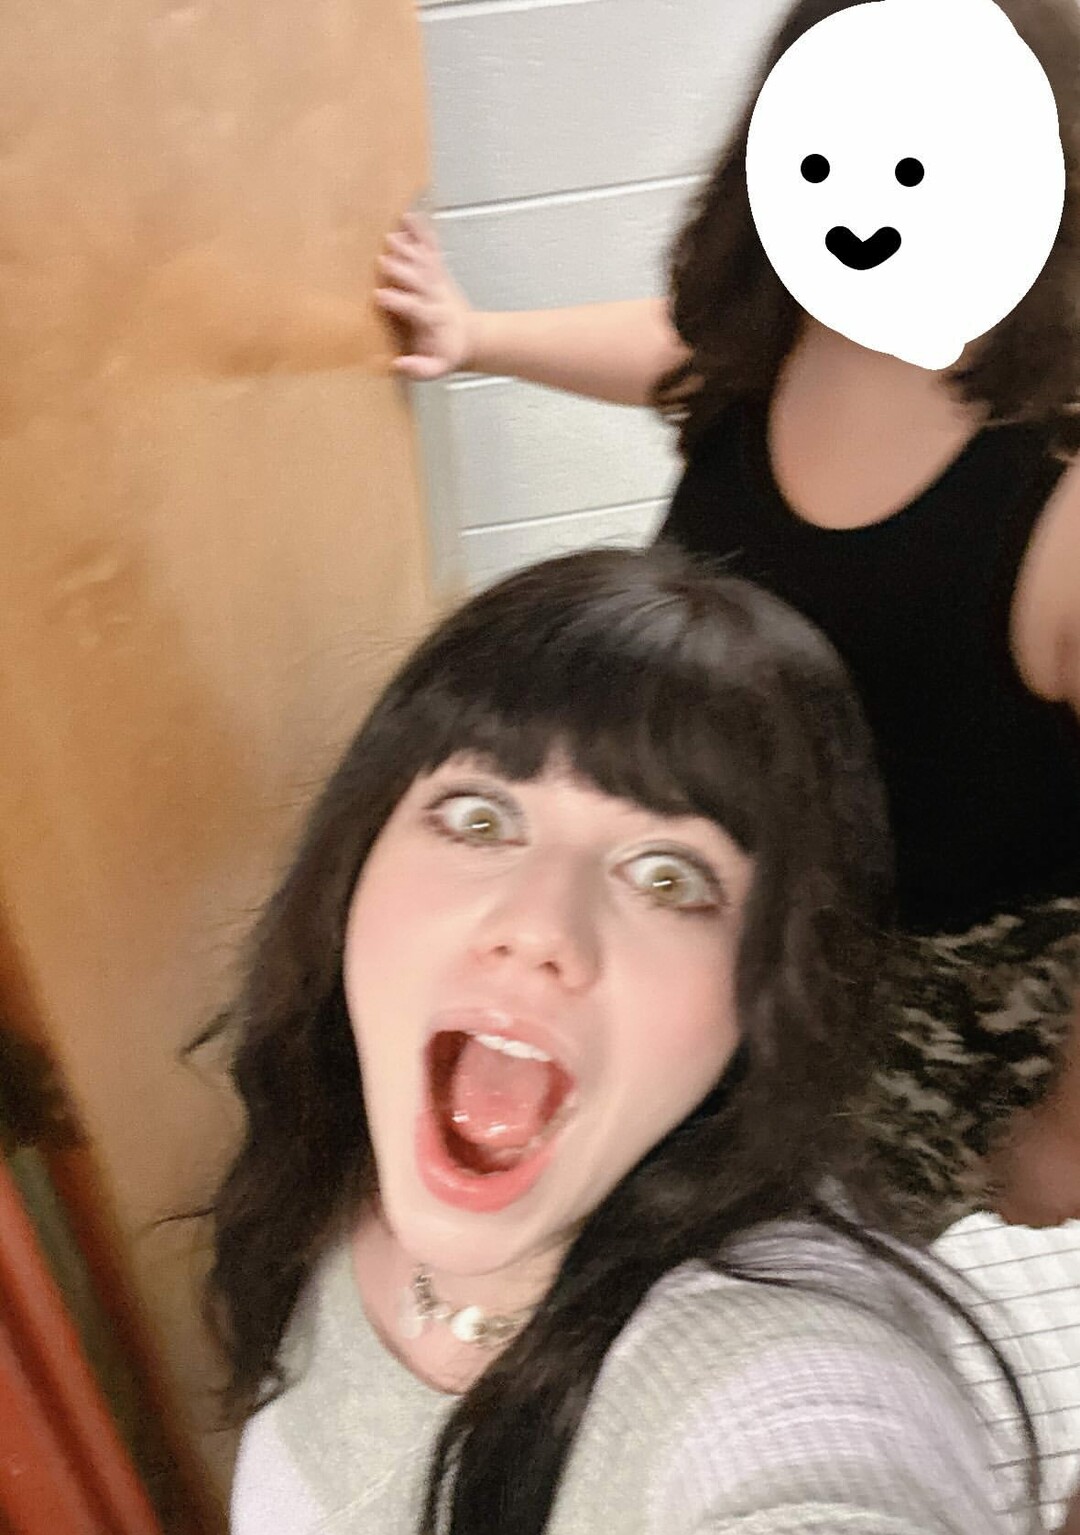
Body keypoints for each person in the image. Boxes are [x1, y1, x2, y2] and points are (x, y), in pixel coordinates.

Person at [209, 549, 1080, 1535]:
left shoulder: (768, 1354)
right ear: (356, 864)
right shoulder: (330, 1161)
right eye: (480, 815)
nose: (536, 929)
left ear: (764, 989)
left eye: (671, 875)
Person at [374, 0, 1080, 1240]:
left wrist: (1069, 1133)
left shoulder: (1060, 502)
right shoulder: (798, 323)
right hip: (721, 869)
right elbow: (685, 354)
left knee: (775, 1243)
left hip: (918, 983)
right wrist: (477, 334)